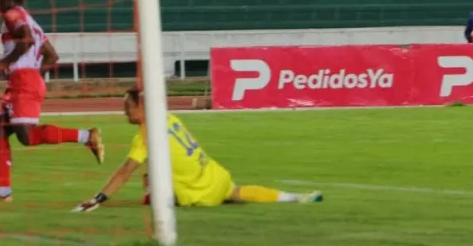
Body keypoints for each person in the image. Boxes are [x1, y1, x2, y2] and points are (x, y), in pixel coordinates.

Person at [72, 88, 322, 212]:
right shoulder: (168, 117)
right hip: (213, 174)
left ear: (143, 108)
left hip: (196, 190)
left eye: (128, 107)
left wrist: (98, 199)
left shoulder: (146, 135)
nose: (125, 111)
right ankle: (292, 197)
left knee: (145, 165)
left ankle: (157, 196)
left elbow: (125, 172)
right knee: (236, 192)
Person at [0, 0, 105, 202]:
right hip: (26, 80)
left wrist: (6, 62)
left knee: (26, 136)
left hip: (24, 81)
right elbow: (52, 55)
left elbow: (26, 40)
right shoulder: (30, 19)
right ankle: (3, 191)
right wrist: (34, 74)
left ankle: (87, 136)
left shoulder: (12, 15)